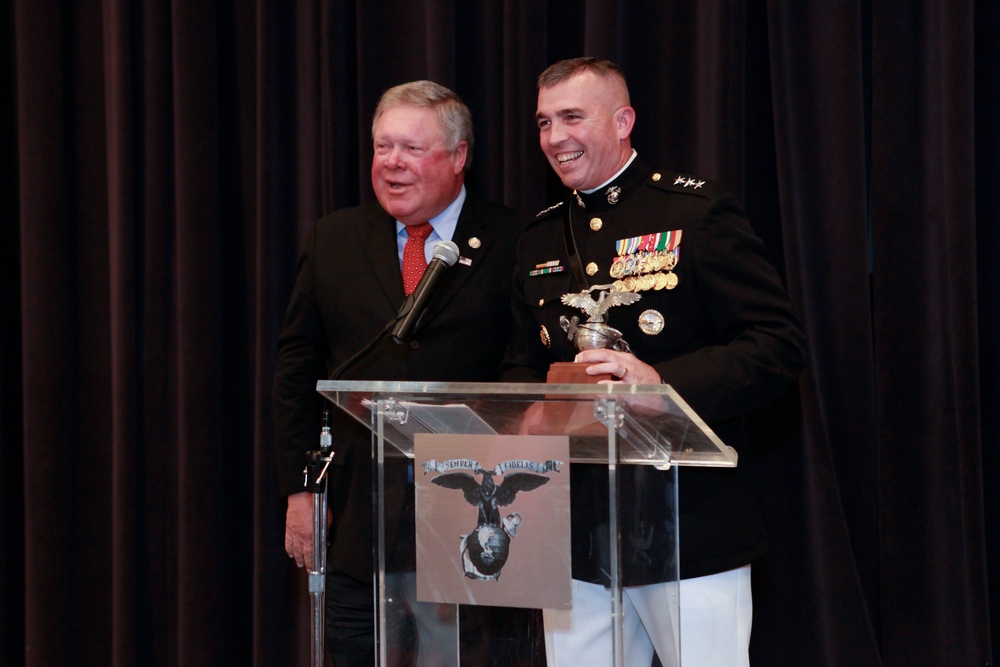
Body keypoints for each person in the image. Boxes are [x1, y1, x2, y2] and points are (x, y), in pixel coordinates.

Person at [501, 57, 805, 666]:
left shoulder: (693, 214)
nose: (555, 137)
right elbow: (520, 359)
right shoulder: (535, 238)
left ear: (623, 120)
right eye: (542, 123)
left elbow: (776, 345)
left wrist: (662, 382)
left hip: (688, 523)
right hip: (577, 531)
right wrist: (525, 411)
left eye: (571, 117)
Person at [273, 80, 530, 666]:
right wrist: (300, 489)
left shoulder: (516, 240)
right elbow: (297, 373)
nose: (392, 163)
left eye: (412, 149)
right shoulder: (333, 239)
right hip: (359, 524)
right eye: (382, 147)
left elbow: (524, 371)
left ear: (459, 156)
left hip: (472, 523)